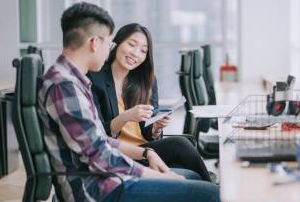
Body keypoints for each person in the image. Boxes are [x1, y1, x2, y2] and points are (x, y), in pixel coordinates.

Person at [37, 2, 223, 202]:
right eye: (111, 41)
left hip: (99, 181)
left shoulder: (72, 79)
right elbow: (101, 156)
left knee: (190, 180)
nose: (111, 48)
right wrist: (159, 176)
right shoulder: (65, 86)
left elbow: (102, 140)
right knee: (210, 197)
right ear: (95, 43)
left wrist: (146, 153)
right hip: (94, 192)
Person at [88, 23, 210, 181]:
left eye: (143, 50)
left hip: (146, 150)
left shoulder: (146, 81)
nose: (135, 53)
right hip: (120, 153)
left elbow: (148, 132)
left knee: (185, 153)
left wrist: (156, 129)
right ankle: (215, 191)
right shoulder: (95, 79)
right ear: (117, 43)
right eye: (131, 45)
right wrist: (126, 117)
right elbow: (99, 134)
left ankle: (213, 191)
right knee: (181, 145)